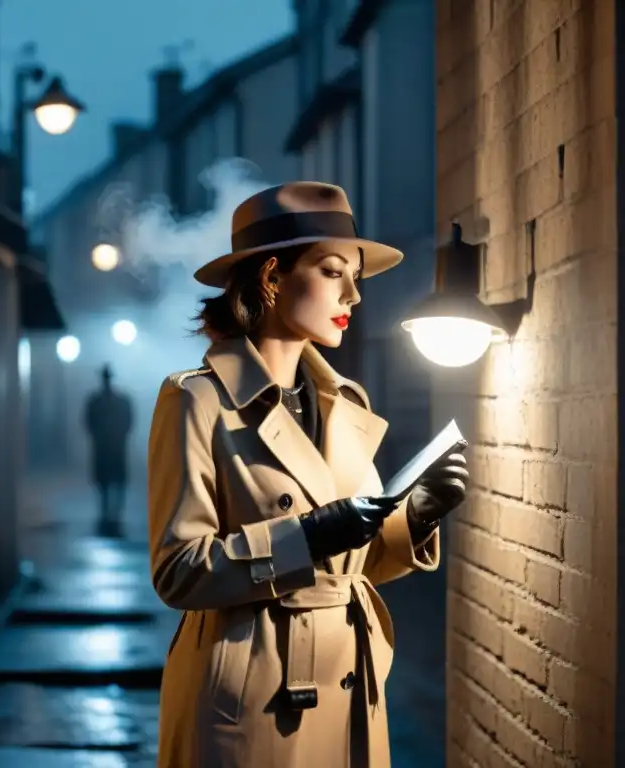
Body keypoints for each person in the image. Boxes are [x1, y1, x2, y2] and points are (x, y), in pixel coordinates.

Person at [147, 182, 469, 767]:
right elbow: (179, 572)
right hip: (252, 702)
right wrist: (309, 535)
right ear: (272, 277)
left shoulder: (345, 402)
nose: (354, 294)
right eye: (331, 271)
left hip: (350, 683)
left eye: (356, 276)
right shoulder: (196, 401)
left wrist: (412, 518)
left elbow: (353, 563)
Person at [83, 364, 134, 537]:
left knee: (111, 482)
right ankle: (111, 514)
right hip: (110, 447)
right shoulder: (118, 401)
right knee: (108, 482)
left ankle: (111, 514)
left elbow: (89, 422)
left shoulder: (97, 401)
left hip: (108, 447)